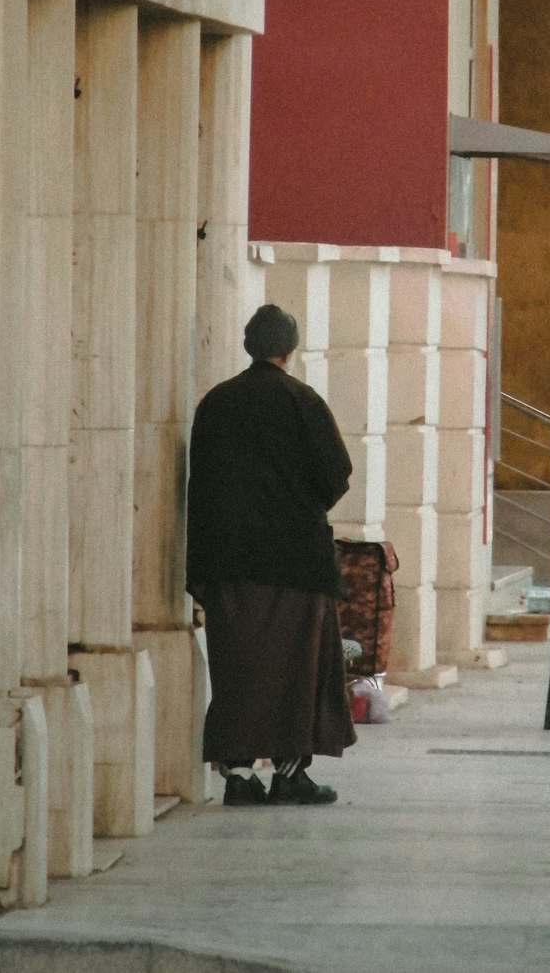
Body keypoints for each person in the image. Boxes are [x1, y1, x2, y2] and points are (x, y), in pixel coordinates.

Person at [186, 303, 356, 806]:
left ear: (248, 345)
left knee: (236, 670)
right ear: (289, 348)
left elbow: (201, 484)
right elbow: (334, 477)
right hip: (294, 565)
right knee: (297, 674)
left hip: (228, 564)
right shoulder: (303, 402)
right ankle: (288, 772)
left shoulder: (215, 404)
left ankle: (238, 777)